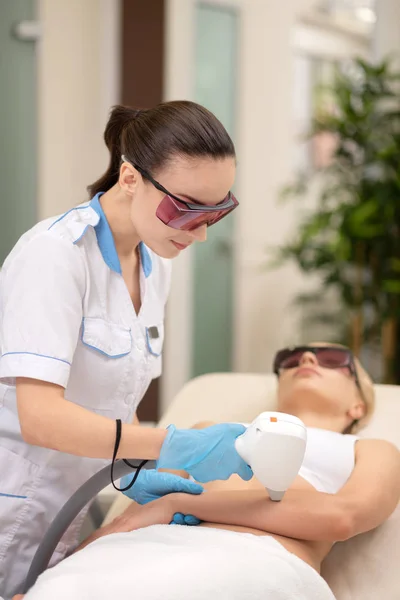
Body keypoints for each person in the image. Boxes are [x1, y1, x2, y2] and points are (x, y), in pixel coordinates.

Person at [0, 101, 253, 599]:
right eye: (186, 208)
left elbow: (117, 397)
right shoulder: (56, 255)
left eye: (216, 212)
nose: (199, 233)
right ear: (131, 177)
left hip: (62, 509)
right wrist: (168, 444)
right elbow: (40, 417)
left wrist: (136, 473)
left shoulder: (158, 261)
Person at [15, 343, 400, 600]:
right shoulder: (207, 436)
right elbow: (134, 519)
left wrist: (182, 505)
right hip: (137, 551)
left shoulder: (370, 450)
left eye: (333, 359)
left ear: (358, 406)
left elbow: (342, 518)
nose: (308, 361)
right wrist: (57, 575)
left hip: (253, 563)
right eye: (292, 359)